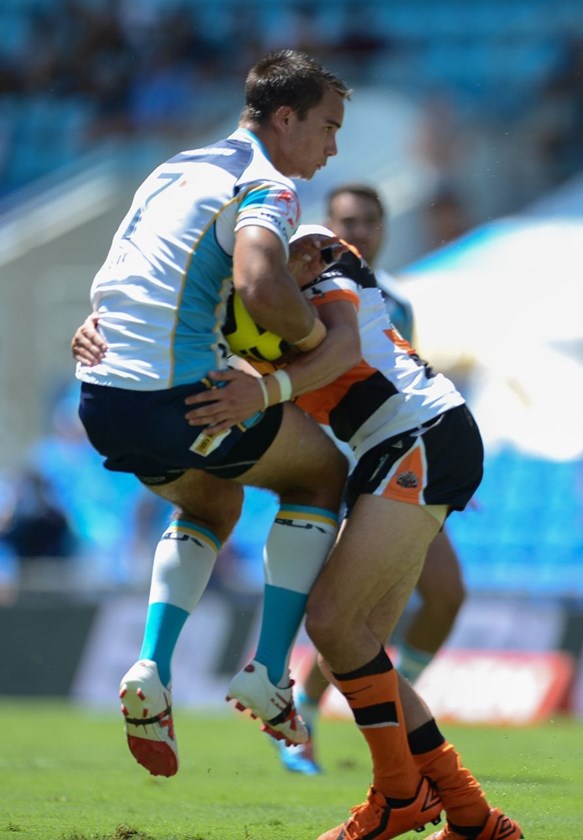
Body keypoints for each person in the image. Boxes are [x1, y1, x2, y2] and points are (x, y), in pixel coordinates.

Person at [182, 225, 523, 840]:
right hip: (395, 443)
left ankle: (399, 797)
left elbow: (340, 351)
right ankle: (473, 817)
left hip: (418, 431)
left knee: (334, 622)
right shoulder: (233, 297)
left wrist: (263, 390)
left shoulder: (316, 249)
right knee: (354, 647)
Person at [73, 48, 353, 779]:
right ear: (283, 118)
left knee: (212, 499)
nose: (330, 148)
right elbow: (259, 283)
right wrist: (313, 345)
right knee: (320, 473)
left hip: (101, 393)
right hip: (181, 393)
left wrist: (92, 323)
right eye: (325, 128)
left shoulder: (176, 169)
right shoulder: (265, 185)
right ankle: (267, 673)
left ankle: (150, 668)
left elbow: (133, 268)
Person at [271, 183, 468, 776]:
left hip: (404, 453)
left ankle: (385, 706)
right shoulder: (296, 294)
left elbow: (399, 376)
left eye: (369, 222)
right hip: (347, 469)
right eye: (346, 221)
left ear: (383, 228)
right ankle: (314, 720)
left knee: (437, 598)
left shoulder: (393, 301)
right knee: (343, 622)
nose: (357, 233)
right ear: (325, 227)